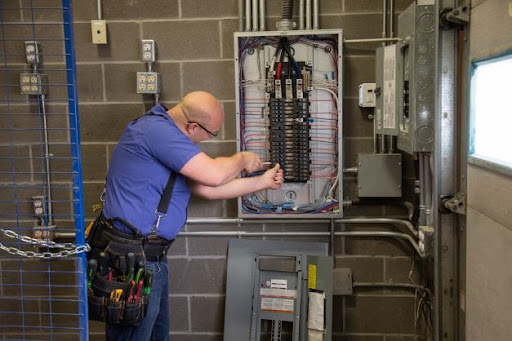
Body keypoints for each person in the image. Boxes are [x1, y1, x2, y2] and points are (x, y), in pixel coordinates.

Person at [100, 91, 283, 340]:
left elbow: (206, 188)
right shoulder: (156, 131)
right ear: (192, 126)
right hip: (133, 258)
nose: (207, 140)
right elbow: (214, 175)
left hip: (150, 258)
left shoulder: (168, 137)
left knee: (156, 336)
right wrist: (242, 159)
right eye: (211, 134)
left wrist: (263, 182)